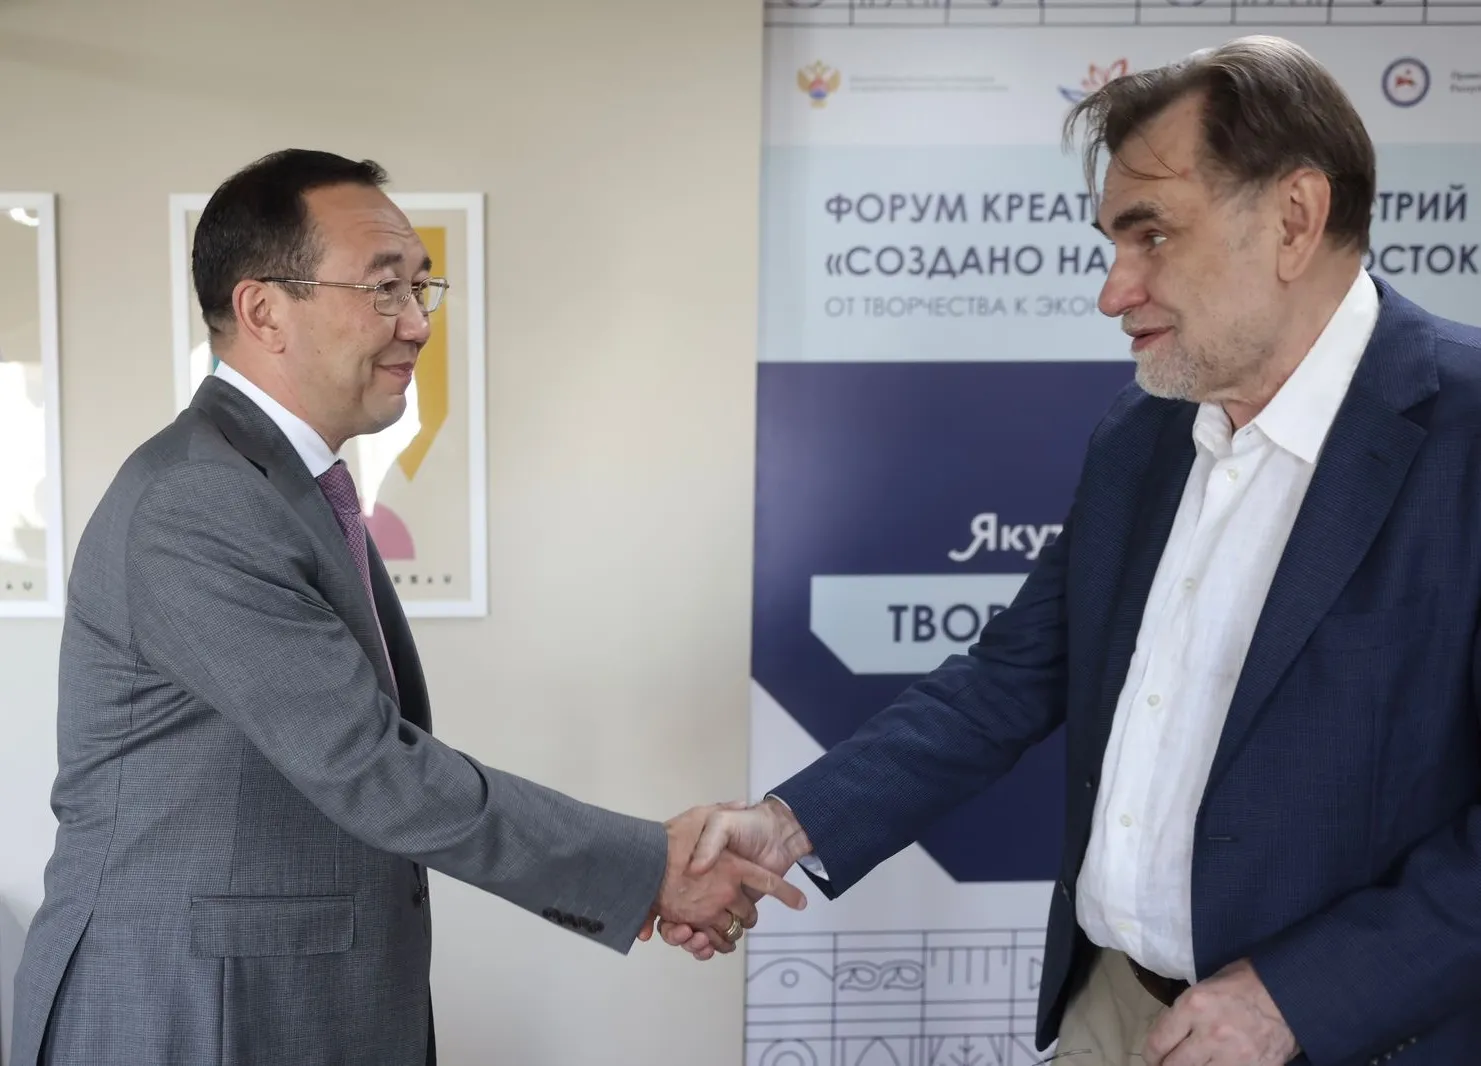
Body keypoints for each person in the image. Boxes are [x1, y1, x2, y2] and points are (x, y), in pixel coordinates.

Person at [657, 34, 1481, 1066]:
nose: (1111, 291)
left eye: (1152, 235)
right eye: (1111, 243)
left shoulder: (1463, 433)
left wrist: (1295, 1001)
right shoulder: (1140, 435)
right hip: (1113, 1006)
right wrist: (789, 822)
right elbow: (1010, 677)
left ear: (1293, 218)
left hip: (1340, 1035)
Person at [8, 149, 803, 1066]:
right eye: (384, 288)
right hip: (192, 1012)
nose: (418, 323)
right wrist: (650, 868)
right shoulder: (201, 499)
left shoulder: (284, 485)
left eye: (421, 287)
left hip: (276, 999)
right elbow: (368, 766)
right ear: (264, 310)